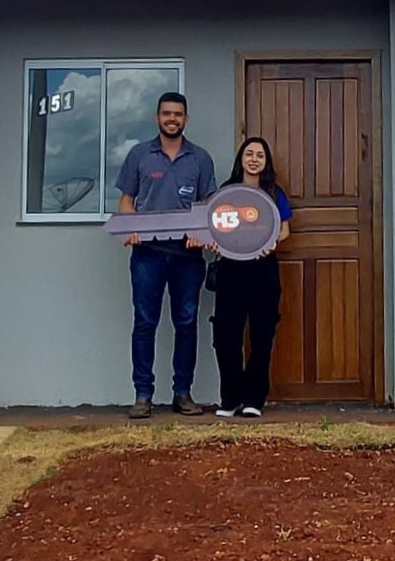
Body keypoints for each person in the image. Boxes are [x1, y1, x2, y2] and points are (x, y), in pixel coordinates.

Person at [115, 91, 217, 419]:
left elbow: (208, 206)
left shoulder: (200, 159)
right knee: (145, 322)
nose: (172, 119)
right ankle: (143, 394)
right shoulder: (139, 155)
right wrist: (129, 227)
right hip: (147, 254)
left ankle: (182, 393)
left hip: (187, 257)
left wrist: (200, 235)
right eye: (166, 114)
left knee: (186, 323)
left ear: (186, 119)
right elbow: (127, 201)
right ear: (157, 117)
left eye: (178, 114)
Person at [210, 136, 292, 418]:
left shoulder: (273, 192)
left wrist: (271, 244)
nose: (254, 159)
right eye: (249, 154)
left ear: (266, 161)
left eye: (260, 155)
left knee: (262, 335)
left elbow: (284, 229)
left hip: (263, 270)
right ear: (241, 159)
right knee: (225, 336)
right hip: (231, 270)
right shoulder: (226, 191)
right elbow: (214, 226)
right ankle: (230, 398)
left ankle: (254, 399)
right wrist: (212, 242)